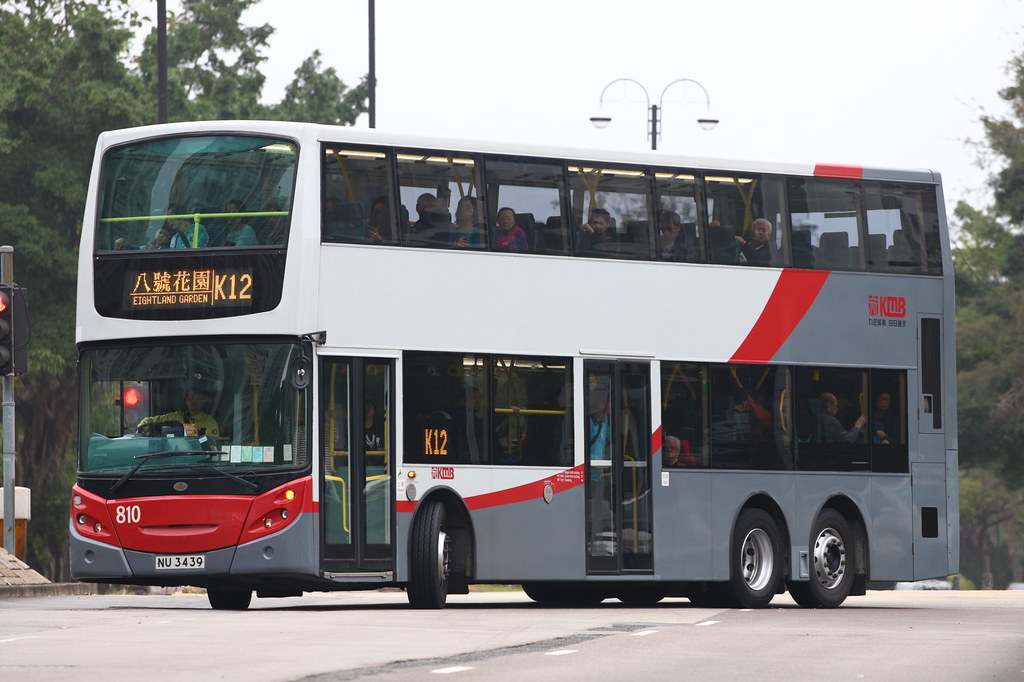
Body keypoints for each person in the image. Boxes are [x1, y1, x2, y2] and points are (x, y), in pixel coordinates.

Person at [137, 387, 220, 439]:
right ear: (186, 401)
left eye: (197, 399)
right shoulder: (177, 416)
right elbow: (149, 421)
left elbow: (212, 444)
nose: (193, 402)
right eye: (190, 398)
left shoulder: (209, 422)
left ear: (203, 402)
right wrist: (142, 428)